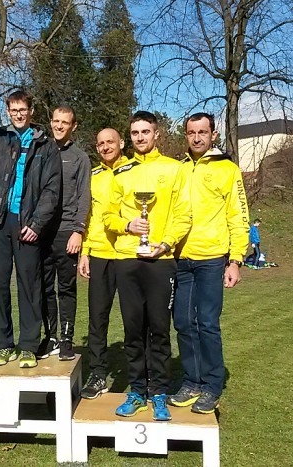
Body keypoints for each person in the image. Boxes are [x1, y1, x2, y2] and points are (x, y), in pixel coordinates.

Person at [103, 111, 191, 421]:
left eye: (145, 131)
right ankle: (137, 390)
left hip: (161, 261)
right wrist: (128, 225)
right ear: (130, 137)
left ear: (156, 134)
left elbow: (183, 215)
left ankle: (160, 392)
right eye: (135, 133)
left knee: (159, 329)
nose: (140, 137)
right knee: (132, 330)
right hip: (127, 259)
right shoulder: (120, 172)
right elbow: (108, 217)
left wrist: (165, 244)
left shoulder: (174, 169)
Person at [0, 84, 62, 369]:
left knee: (30, 285)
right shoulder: (0, 138)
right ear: (8, 112)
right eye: (13, 110)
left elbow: (52, 190)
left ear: (31, 111)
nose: (18, 115)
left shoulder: (46, 145)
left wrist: (36, 224)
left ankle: (29, 346)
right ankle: (3, 344)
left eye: (23, 110)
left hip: (28, 223)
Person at [168, 112, 250, 415]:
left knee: (207, 323)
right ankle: (192, 381)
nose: (197, 137)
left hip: (212, 259)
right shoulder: (179, 169)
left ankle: (213, 385)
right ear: (186, 135)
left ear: (213, 134)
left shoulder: (228, 169)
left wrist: (236, 260)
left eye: (203, 132)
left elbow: (238, 216)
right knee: (183, 323)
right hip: (181, 259)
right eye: (192, 132)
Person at [78, 128, 127, 399]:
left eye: (110, 142)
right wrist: (85, 252)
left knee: (135, 319)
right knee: (97, 318)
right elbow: (88, 216)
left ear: (121, 143)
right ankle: (98, 373)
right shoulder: (93, 176)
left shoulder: (133, 170)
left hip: (129, 254)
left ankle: (141, 375)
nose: (106, 147)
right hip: (99, 253)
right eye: (101, 144)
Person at [39, 106, 91, 361]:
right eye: (56, 121)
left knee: (66, 289)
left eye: (65, 122)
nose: (59, 126)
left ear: (73, 126)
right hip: (41, 232)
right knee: (44, 287)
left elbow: (84, 196)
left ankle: (67, 338)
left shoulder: (80, 158)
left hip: (67, 232)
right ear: (51, 122)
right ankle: (50, 337)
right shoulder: (41, 151)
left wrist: (78, 230)